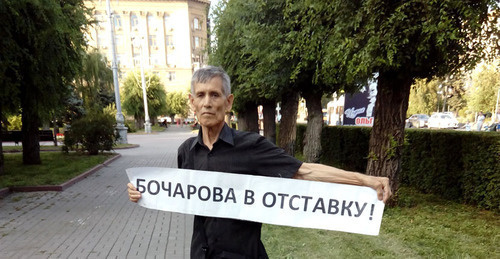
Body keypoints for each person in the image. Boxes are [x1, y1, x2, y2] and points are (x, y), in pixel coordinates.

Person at [127, 66, 391, 259]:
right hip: (201, 254)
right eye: (201, 95)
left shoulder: (251, 146)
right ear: (192, 102)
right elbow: (180, 195)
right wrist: (144, 191)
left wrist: (364, 180)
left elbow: (303, 171)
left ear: (228, 102)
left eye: (215, 95)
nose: (207, 103)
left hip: (244, 255)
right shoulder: (186, 151)